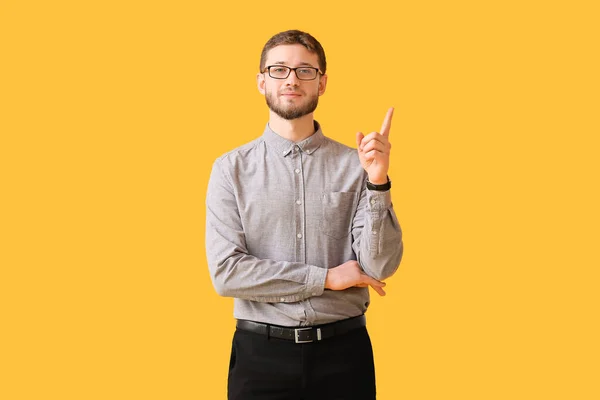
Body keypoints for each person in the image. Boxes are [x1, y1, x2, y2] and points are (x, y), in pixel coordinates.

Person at [205, 29, 403, 400]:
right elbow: (227, 273)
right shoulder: (230, 170)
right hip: (260, 358)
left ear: (322, 82)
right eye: (279, 69)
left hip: (345, 356)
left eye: (305, 70)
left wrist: (377, 182)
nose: (292, 79)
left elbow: (379, 266)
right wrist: (326, 278)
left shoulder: (356, 165)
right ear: (261, 81)